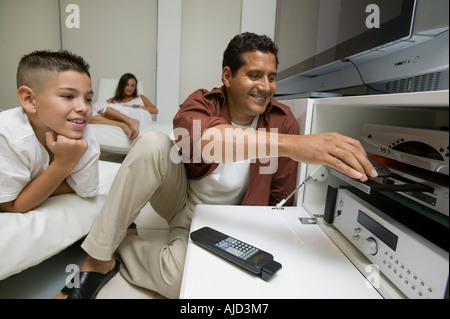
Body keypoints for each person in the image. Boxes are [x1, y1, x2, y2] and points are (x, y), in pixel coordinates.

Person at [55, 32, 377, 299]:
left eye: (271, 77)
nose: (266, 86)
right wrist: (294, 145)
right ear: (227, 76)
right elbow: (203, 142)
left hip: (229, 222)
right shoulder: (202, 102)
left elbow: (279, 199)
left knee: (182, 283)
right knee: (153, 143)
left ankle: (122, 244)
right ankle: (97, 260)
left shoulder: (282, 120)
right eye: (254, 75)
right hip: (182, 201)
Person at [0, 50, 100, 213]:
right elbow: (10, 205)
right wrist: (64, 164)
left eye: (88, 99)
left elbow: (84, 189)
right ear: (29, 100)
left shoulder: (86, 133)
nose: (84, 108)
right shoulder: (7, 135)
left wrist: (30, 189)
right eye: (68, 96)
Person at [89, 73, 158, 140]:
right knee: (94, 110)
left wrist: (134, 106)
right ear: (122, 86)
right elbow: (100, 108)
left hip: (139, 117)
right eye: (127, 85)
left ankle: (129, 121)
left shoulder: (141, 97)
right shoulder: (114, 100)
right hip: (122, 118)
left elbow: (155, 110)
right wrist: (115, 105)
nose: (130, 88)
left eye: (132, 86)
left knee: (99, 106)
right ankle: (122, 124)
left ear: (135, 87)